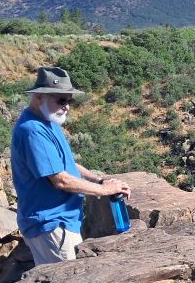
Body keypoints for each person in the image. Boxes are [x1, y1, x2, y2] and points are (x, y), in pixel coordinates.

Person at [11, 66, 132, 265]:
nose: (66, 106)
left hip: (61, 222)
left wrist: (99, 179)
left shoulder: (48, 121)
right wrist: (103, 189)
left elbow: (66, 163)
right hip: (51, 225)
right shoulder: (32, 131)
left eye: (69, 101)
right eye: (61, 100)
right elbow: (60, 180)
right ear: (39, 97)